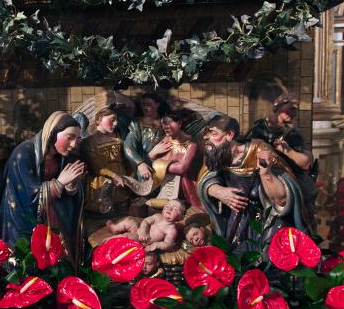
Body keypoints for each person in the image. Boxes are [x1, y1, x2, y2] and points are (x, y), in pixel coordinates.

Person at [0, 112, 86, 261]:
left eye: (77, 139)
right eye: (69, 137)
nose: (73, 144)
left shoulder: (63, 158)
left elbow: (70, 197)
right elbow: (28, 196)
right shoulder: (23, 154)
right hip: (23, 220)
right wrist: (59, 183)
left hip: (53, 221)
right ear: (53, 133)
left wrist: (71, 186)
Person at [197, 115, 308, 251]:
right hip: (236, 217)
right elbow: (204, 180)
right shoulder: (214, 154)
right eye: (206, 135)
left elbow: (282, 199)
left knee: (270, 253)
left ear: (230, 135)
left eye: (213, 134)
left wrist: (266, 174)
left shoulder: (258, 150)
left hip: (266, 217)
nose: (207, 139)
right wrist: (219, 192)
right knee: (236, 258)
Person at [81, 106, 130, 215]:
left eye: (116, 120)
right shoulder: (89, 142)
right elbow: (96, 166)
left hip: (121, 187)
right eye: (112, 120)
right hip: (100, 188)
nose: (116, 123)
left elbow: (126, 162)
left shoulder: (119, 140)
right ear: (99, 119)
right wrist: (114, 176)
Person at [151, 108, 201, 208]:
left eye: (170, 123)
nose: (166, 126)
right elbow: (150, 158)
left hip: (183, 185)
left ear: (179, 123)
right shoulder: (164, 139)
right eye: (164, 123)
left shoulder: (191, 144)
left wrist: (157, 162)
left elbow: (182, 168)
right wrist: (153, 153)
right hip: (163, 182)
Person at [123, 93, 171, 181]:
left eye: (148, 105)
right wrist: (140, 163)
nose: (145, 107)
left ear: (157, 105)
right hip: (144, 165)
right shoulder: (136, 123)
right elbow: (128, 147)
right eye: (143, 105)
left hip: (163, 164)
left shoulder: (166, 122)